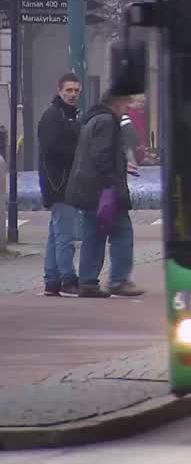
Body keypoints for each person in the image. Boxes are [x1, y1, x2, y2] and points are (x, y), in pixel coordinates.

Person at [64, 90, 144, 298]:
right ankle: (118, 280)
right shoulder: (108, 122)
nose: (129, 106)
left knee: (94, 235)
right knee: (122, 231)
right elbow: (103, 157)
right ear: (116, 102)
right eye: (126, 101)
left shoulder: (93, 119)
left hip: (87, 189)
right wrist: (112, 186)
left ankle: (88, 282)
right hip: (102, 191)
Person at [38, 73, 83, 296]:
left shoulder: (69, 116)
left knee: (56, 234)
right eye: (69, 90)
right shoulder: (53, 116)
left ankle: (52, 280)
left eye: (76, 91)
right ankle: (67, 279)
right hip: (60, 184)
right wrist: (79, 155)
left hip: (62, 183)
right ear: (59, 90)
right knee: (65, 234)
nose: (73, 94)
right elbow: (52, 151)